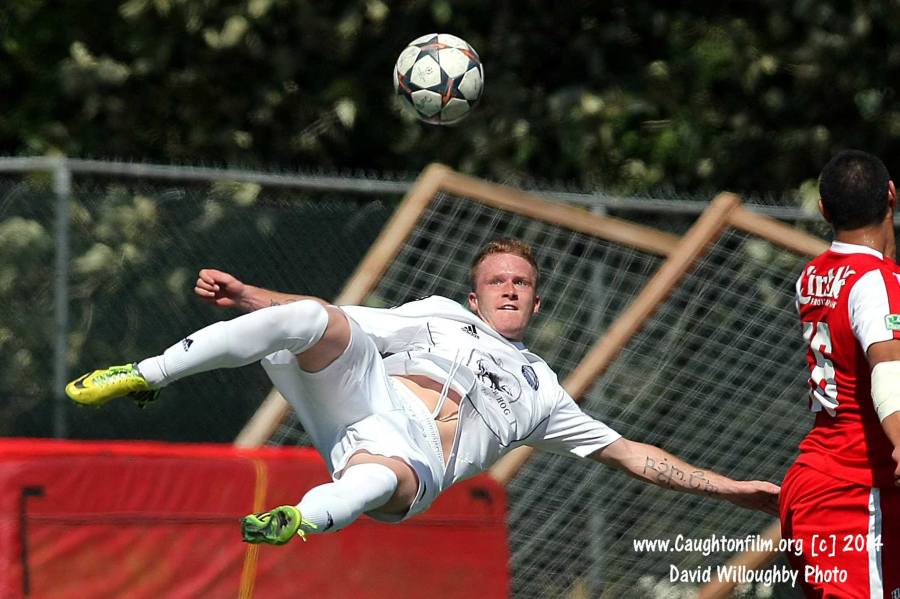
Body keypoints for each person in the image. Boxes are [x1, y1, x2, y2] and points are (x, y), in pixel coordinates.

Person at [67, 238, 779, 545]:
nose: (508, 288)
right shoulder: (437, 314)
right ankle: (145, 375)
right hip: (368, 394)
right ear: (475, 295)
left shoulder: (545, 392)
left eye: (521, 282)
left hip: (414, 458)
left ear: (536, 304)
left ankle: (298, 519)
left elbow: (630, 454)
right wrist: (249, 293)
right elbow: (336, 319)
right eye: (496, 280)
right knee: (312, 316)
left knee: (382, 473)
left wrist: (732, 491)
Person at [781, 150, 900, 598]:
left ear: (823, 210)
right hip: (854, 497)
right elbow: (888, 371)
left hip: (816, 483)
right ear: (891, 195)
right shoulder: (876, 282)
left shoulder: (812, 275)